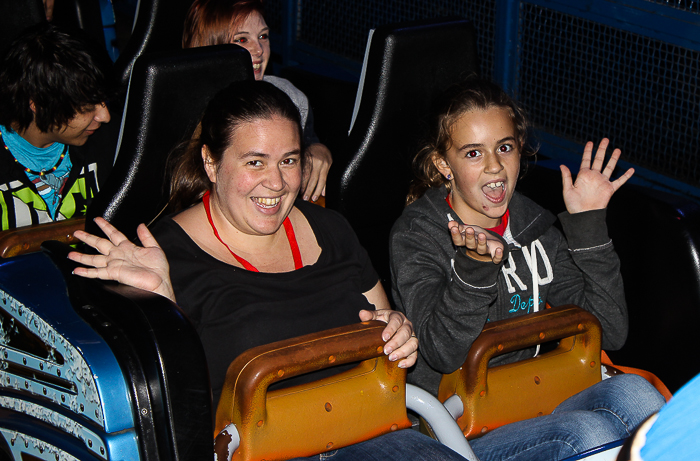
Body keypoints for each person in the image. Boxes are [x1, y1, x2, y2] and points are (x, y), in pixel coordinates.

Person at [68, 80, 466, 461]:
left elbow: (388, 336)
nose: (276, 183)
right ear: (211, 161)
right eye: (255, 162)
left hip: (369, 434)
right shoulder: (164, 256)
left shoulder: (331, 228)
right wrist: (161, 303)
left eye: (289, 160)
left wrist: (397, 331)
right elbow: (171, 420)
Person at [389, 78, 665, 461]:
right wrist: (474, 270)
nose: (494, 167)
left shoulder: (533, 225)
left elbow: (611, 330)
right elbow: (441, 353)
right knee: (585, 434)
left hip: (533, 394)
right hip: (457, 425)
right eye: (472, 153)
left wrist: (588, 224)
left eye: (505, 147)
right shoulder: (419, 234)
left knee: (640, 396)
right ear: (443, 165)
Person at [182, 0, 332, 203]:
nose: (259, 49)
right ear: (211, 47)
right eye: (242, 40)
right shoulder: (182, 109)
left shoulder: (289, 97)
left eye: (263, 36)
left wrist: (318, 150)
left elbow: (309, 143)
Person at [0, 23, 114, 231]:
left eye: (104, 100)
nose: (104, 116)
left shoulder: (111, 139)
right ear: (37, 104)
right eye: (87, 107)